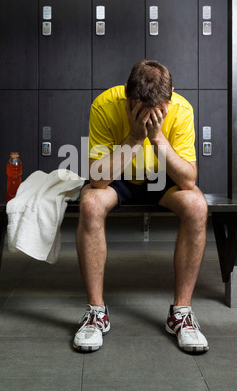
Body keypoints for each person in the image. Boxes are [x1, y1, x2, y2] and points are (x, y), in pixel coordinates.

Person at [73, 60, 209, 354]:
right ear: (126, 95)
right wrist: (135, 136)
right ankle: (97, 312)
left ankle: (180, 314)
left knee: (197, 205)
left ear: (171, 95)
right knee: (90, 203)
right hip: (117, 176)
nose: (150, 118)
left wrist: (157, 137)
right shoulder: (105, 105)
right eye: (140, 109)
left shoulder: (182, 110)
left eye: (159, 110)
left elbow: (188, 180)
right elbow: (97, 180)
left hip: (163, 179)